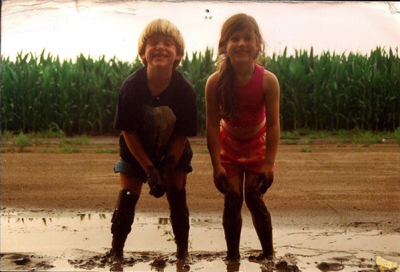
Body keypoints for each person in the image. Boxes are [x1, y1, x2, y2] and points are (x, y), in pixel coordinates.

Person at [110, 18, 197, 263]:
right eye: (152, 43)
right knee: (127, 195)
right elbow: (128, 132)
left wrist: (168, 168)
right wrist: (149, 170)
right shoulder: (131, 86)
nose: (160, 47)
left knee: (177, 195)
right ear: (142, 53)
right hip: (136, 151)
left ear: (178, 54)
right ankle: (116, 252)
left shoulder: (185, 90)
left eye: (168, 43)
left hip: (173, 151)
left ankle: (182, 253)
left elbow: (182, 134)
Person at [205, 13, 280, 262]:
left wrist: (269, 163)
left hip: (257, 145)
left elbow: (275, 125)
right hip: (229, 147)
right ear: (224, 46)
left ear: (258, 44)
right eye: (234, 38)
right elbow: (212, 127)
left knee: (254, 198)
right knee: (233, 198)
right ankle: (233, 257)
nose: (241, 44)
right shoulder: (214, 83)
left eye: (248, 38)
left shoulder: (268, 81)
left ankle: (268, 254)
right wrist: (216, 165)